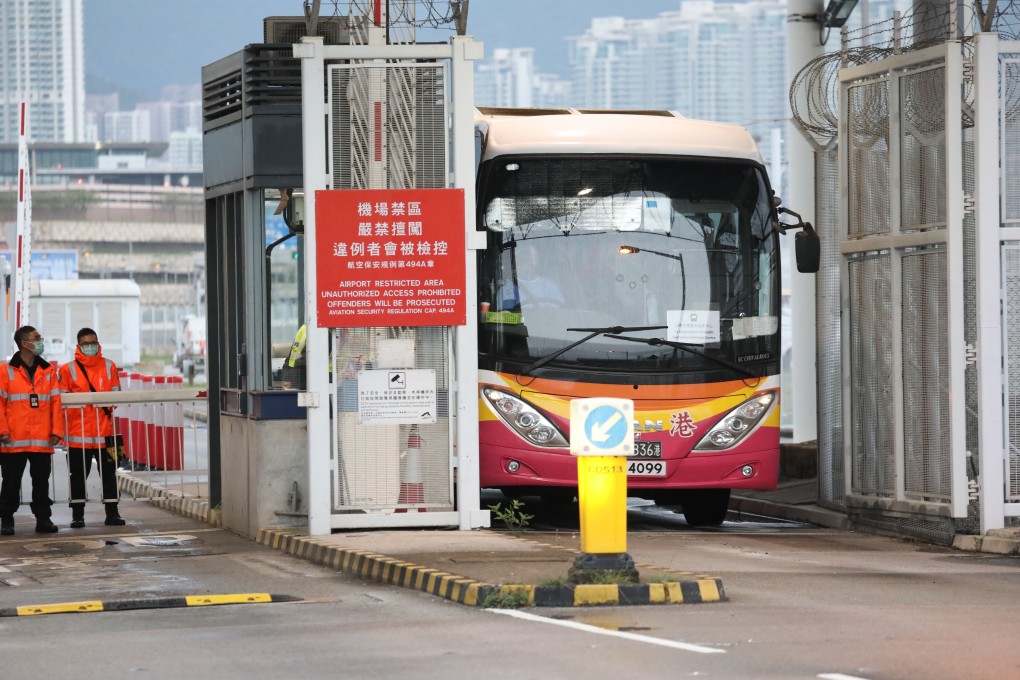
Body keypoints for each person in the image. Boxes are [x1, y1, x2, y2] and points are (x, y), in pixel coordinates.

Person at [57, 327, 125, 528]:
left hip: (105, 434)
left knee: (109, 477)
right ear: (78, 346)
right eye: (86, 344)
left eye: (93, 342)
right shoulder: (67, 370)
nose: (90, 346)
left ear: (98, 343)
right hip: (79, 437)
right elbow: (61, 402)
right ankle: (77, 516)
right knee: (77, 478)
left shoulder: (109, 366)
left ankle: (112, 514)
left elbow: (116, 397)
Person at [0, 325, 63, 535]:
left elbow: (55, 402)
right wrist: (3, 431)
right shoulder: (5, 371)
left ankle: (43, 519)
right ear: (24, 344)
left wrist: (56, 430)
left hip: (41, 438)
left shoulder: (48, 371)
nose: (40, 341)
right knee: (10, 483)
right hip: (13, 440)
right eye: (37, 338)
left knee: (41, 483)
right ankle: (7, 520)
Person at [498, 246, 566, 311]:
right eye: (525, 260)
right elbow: (507, 313)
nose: (531, 264)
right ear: (517, 263)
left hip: (547, 322)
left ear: (537, 262)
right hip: (522, 322)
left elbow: (560, 311)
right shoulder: (509, 288)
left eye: (532, 260)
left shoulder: (548, 285)